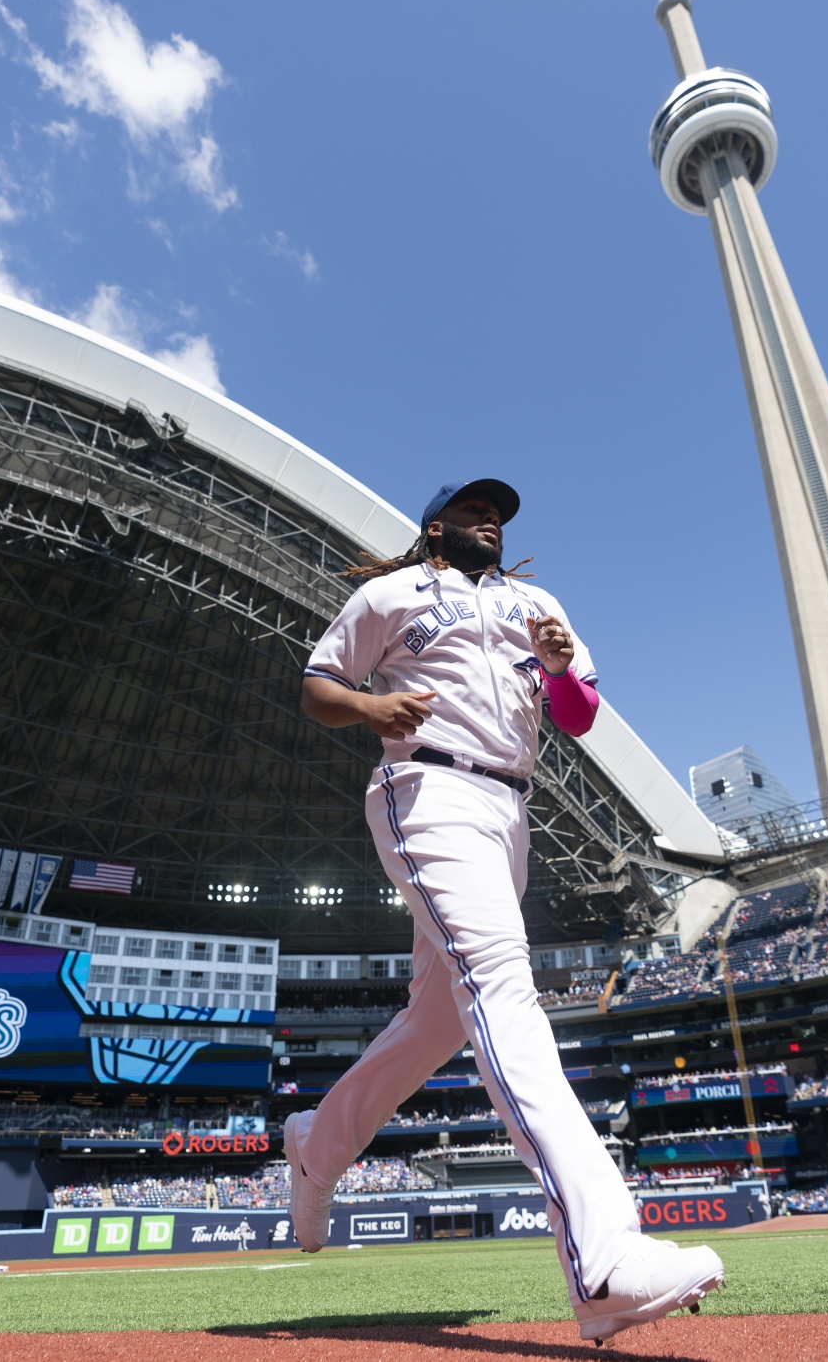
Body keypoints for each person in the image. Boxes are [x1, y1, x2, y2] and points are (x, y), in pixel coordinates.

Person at [286, 478, 724, 1344]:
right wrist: (373, 705)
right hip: (429, 786)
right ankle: (605, 1261)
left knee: (438, 1021)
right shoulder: (392, 593)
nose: (494, 518)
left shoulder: (538, 604)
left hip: (509, 809)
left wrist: (560, 669)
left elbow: (582, 715)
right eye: (477, 508)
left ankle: (317, 1143)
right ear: (437, 525)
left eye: (502, 512)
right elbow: (317, 685)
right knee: (504, 994)